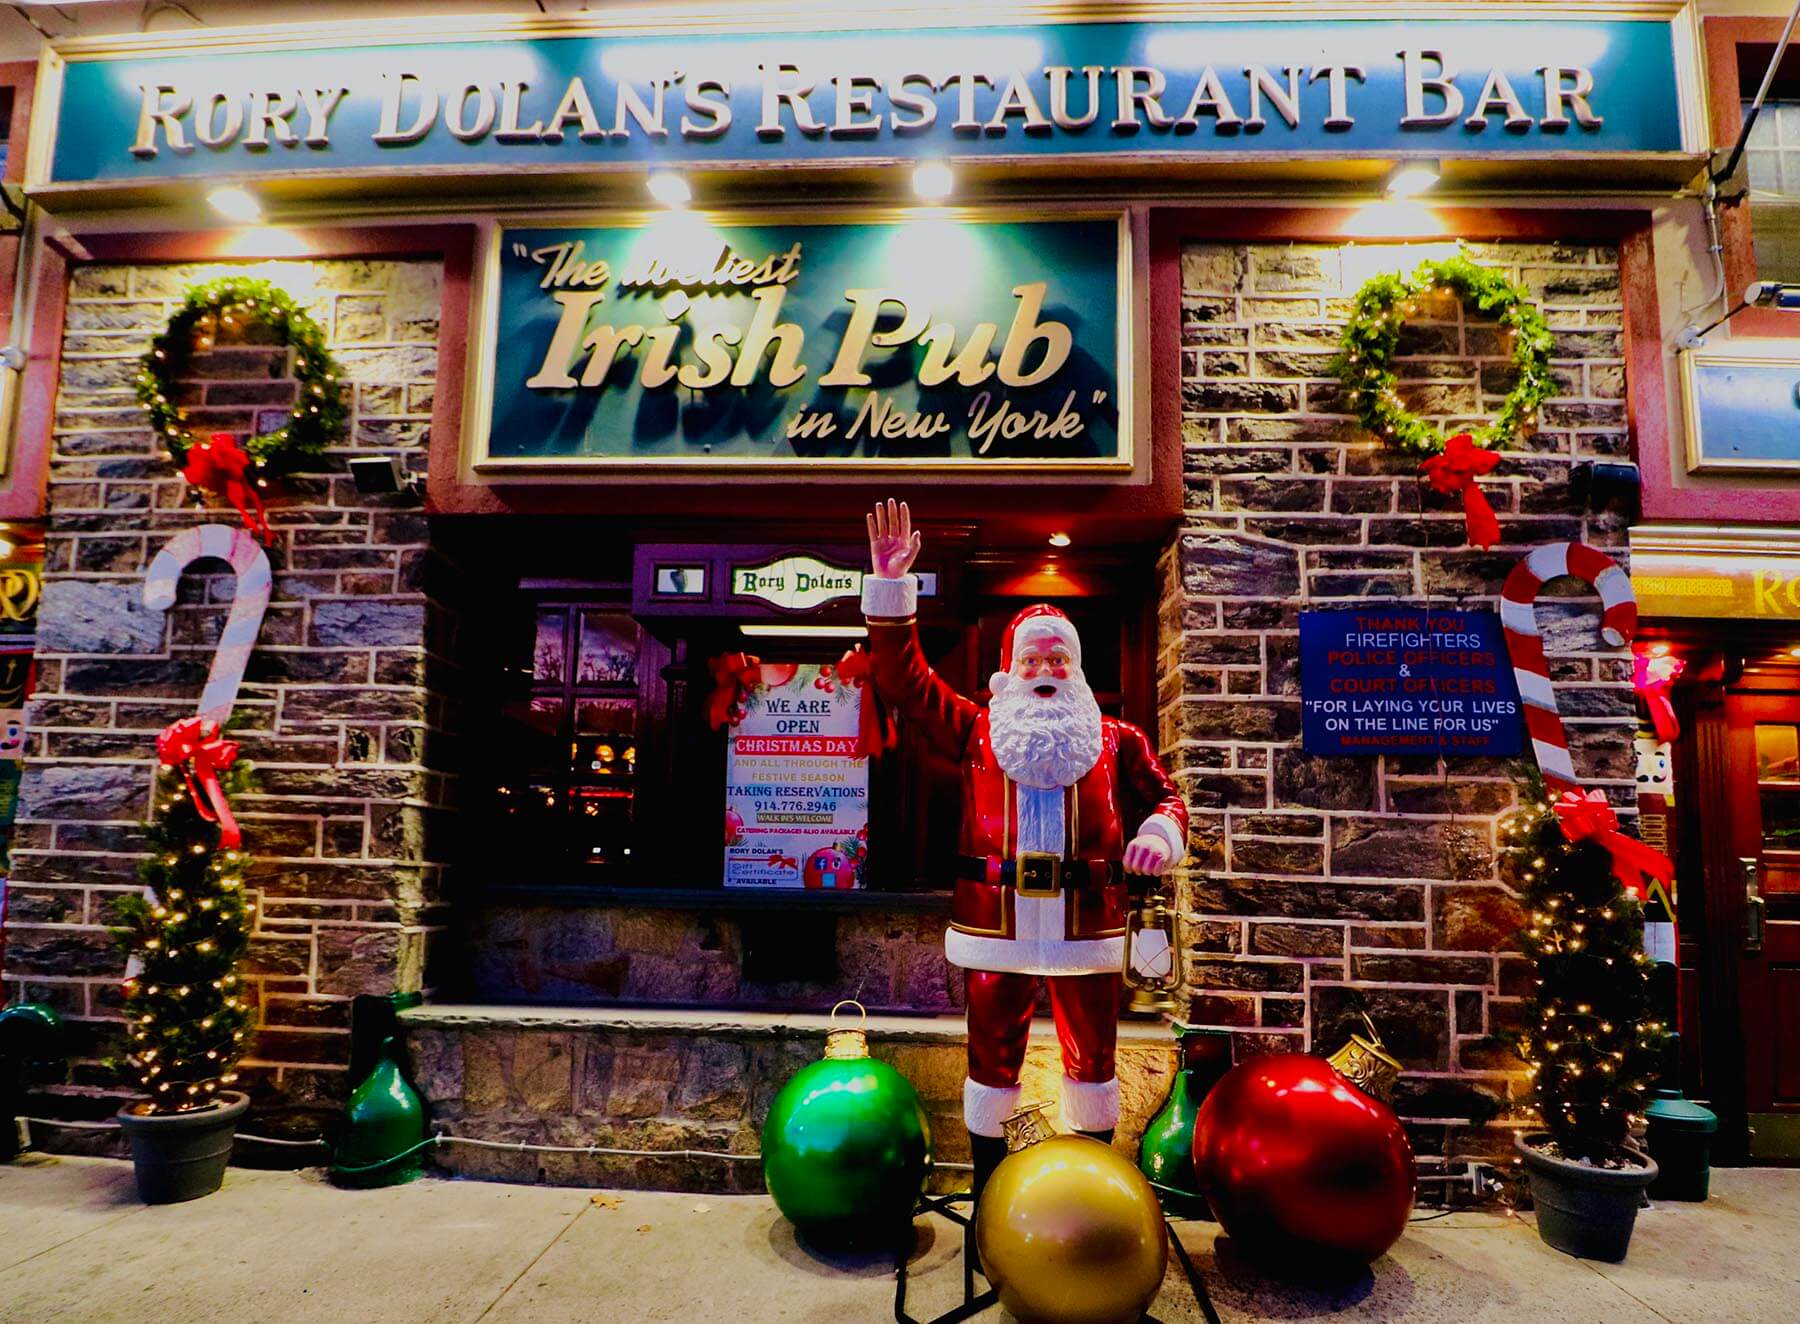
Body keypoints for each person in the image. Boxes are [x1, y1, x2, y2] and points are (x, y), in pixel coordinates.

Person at [862, 499, 1188, 1198]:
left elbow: (1167, 797)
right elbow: (903, 681)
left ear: (1076, 668)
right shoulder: (977, 729)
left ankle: (1088, 1186)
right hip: (995, 929)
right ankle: (991, 1192)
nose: (1045, 665)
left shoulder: (1114, 739)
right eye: (1032, 656)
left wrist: (1159, 835)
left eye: (1056, 657)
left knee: (1093, 1061)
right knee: (991, 1061)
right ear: (1009, 670)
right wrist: (892, 587)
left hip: (1087, 930)